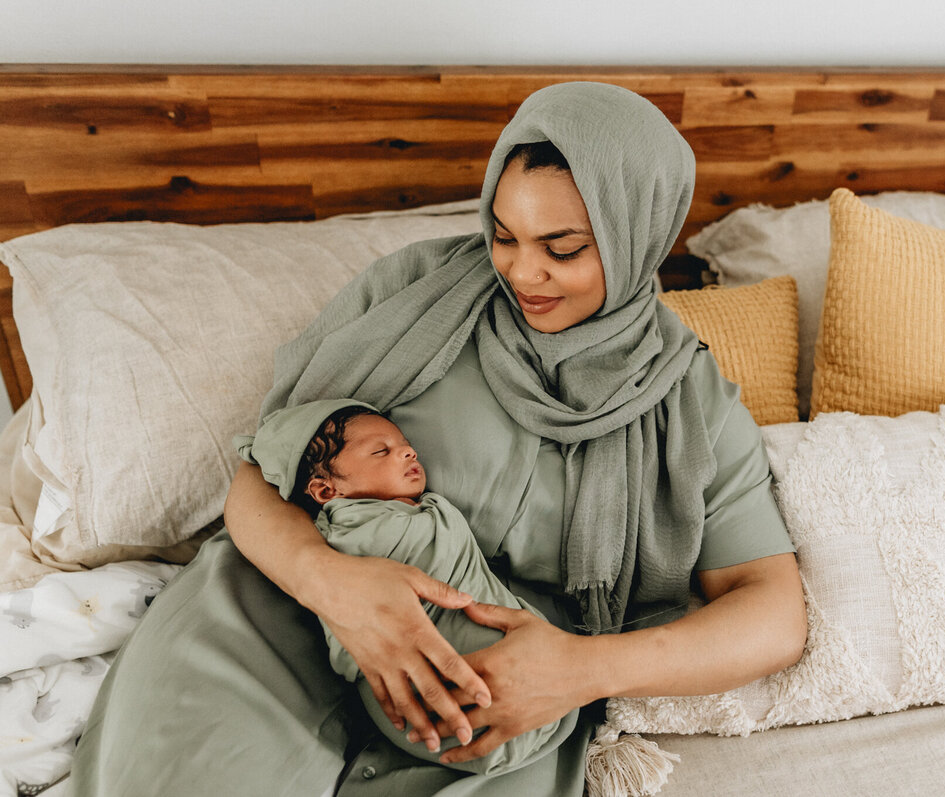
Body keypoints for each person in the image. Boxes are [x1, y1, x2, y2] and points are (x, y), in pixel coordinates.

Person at [70, 82, 807, 797]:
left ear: (636, 230)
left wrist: (586, 669)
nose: (524, 271)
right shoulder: (415, 296)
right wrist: (338, 587)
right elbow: (260, 473)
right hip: (281, 611)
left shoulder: (690, 400)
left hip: (490, 697)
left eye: (563, 246)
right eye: (504, 235)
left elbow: (773, 613)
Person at [234, 398, 577, 776]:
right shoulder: (352, 536)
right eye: (382, 450)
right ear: (327, 492)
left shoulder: (417, 511)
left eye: (404, 443)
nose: (409, 450)